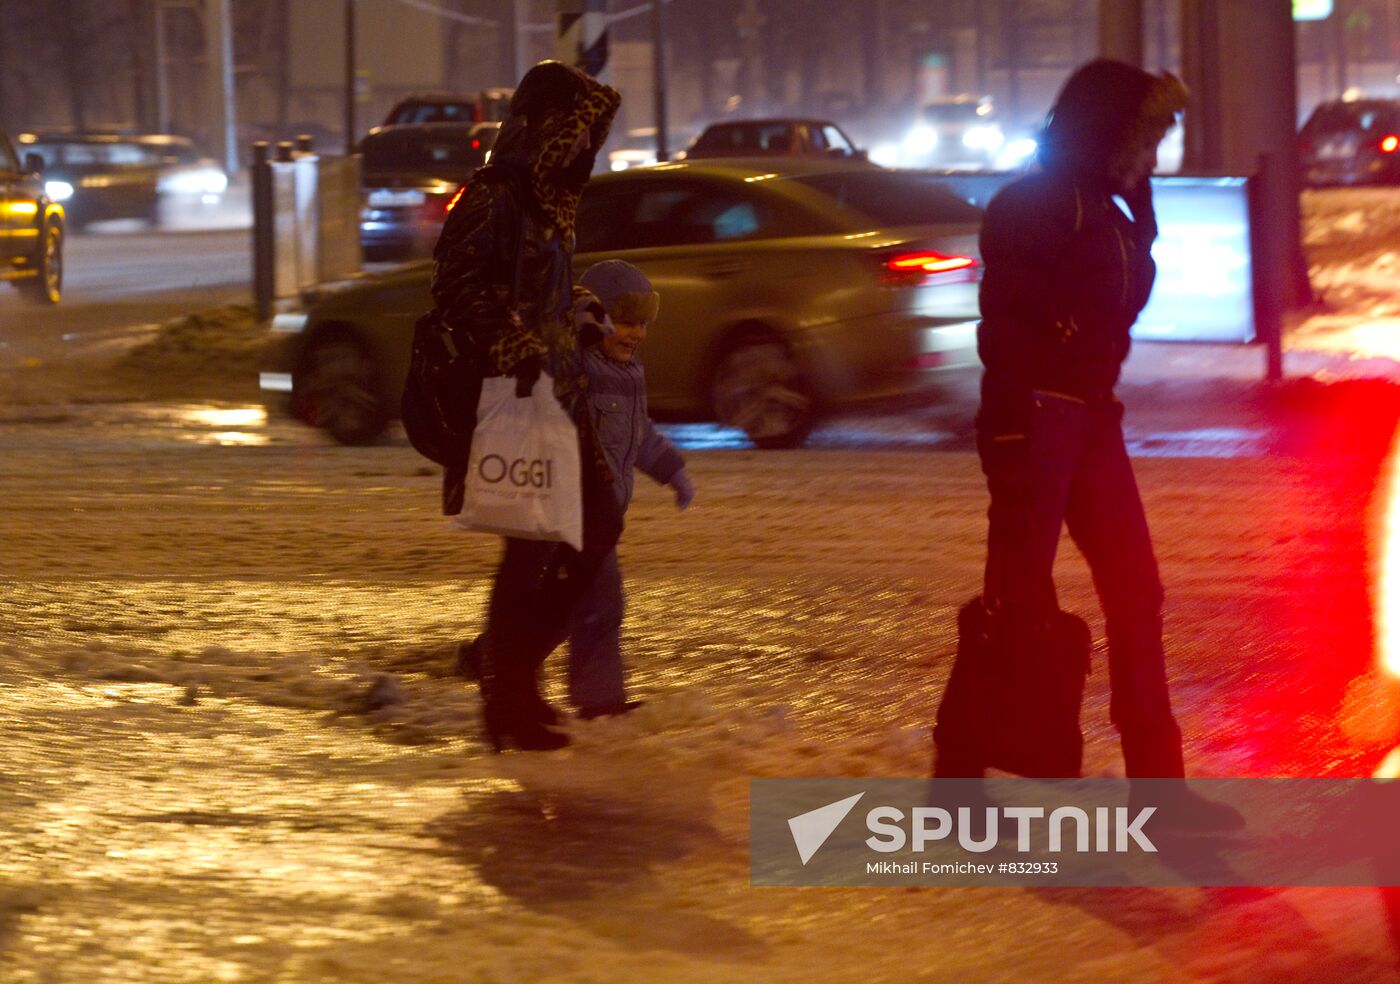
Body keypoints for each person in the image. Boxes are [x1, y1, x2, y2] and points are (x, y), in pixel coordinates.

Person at [934, 59, 1242, 828]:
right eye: (1148, 137)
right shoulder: (1033, 204)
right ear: (1110, 131)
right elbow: (1005, 324)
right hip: (1034, 420)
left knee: (1137, 595)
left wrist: (1139, 206)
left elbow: (1123, 303)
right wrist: (1008, 430)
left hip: (1092, 420)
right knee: (1016, 602)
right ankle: (957, 781)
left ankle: (1160, 793)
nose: (1157, 152)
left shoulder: (1105, 207)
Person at [430, 60, 621, 751]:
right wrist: (518, 346)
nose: (579, 148)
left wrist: (578, 314)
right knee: (531, 548)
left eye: (587, 136)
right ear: (543, 128)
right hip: (513, 401)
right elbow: (460, 288)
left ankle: (510, 678)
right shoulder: (495, 197)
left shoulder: (549, 205)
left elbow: (537, 292)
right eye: (571, 133)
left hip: (561, 395)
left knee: (591, 531)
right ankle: (508, 695)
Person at [567, 260, 694, 719]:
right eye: (625, 322)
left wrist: (672, 471)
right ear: (595, 318)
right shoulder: (577, 367)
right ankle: (596, 702)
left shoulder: (630, 373)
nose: (636, 333)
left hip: (602, 518)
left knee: (574, 607)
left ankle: (497, 658)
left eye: (642, 324)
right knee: (596, 605)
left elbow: (638, 434)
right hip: (570, 511)